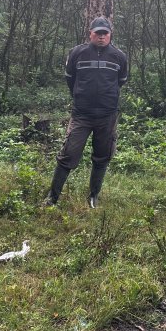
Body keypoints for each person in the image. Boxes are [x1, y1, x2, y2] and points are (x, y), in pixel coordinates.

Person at [45, 16, 128, 208]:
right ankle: (52, 198)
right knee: (68, 154)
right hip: (82, 115)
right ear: (90, 33)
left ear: (110, 35)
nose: (101, 37)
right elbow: (70, 79)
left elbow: (121, 81)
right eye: (98, 33)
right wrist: (81, 96)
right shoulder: (77, 53)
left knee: (102, 156)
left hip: (107, 116)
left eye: (105, 33)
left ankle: (93, 196)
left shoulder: (119, 56)